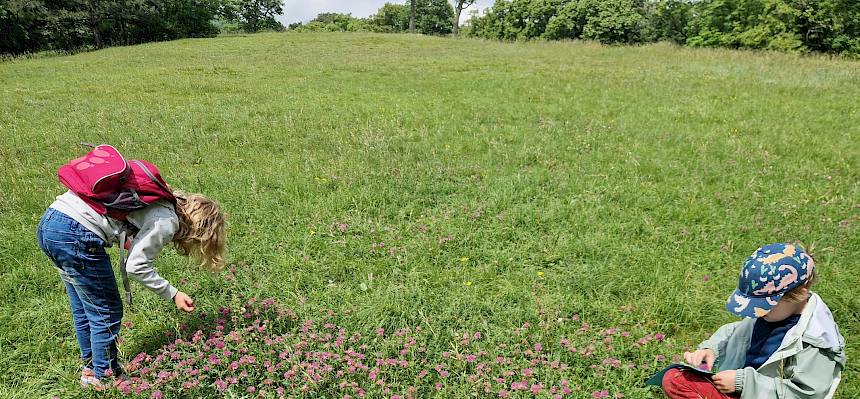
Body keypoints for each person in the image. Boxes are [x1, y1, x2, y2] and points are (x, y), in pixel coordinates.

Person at [36, 145, 226, 389]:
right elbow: (136, 267)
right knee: (107, 310)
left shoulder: (162, 200)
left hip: (52, 222)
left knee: (85, 308)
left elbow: (121, 222)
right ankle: (106, 377)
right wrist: (173, 294)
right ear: (199, 232)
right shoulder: (167, 221)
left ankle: (91, 369)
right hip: (76, 234)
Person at [662, 243, 845, 399]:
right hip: (744, 389)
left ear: (799, 295)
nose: (757, 312)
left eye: (765, 305)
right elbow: (734, 332)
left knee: (678, 382)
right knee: (675, 378)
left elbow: (804, 394)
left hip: (753, 391)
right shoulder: (774, 314)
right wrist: (711, 349)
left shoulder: (816, 342)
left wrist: (743, 383)